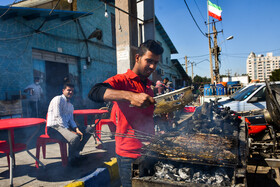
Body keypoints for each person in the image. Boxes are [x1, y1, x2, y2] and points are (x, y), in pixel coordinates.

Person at [88, 40, 164, 187]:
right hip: (130, 156)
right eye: (149, 61)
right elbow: (94, 92)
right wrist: (130, 96)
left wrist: (162, 118)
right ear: (137, 58)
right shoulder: (122, 80)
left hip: (149, 151)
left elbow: (144, 118)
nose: (153, 66)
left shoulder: (148, 86)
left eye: (156, 62)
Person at [47, 83, 93, 167]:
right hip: (54, 128)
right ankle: (71, 160)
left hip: (65, 127)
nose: (70, 92)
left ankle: (76, 154)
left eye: (72, 91)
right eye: (68, 90)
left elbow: (71, 119)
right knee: (74, 138)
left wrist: (76, 129)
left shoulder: (70, 105)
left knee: (89, 130)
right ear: (63, 90)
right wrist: (71, 131)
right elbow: (58, 117)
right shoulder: (58, 99)